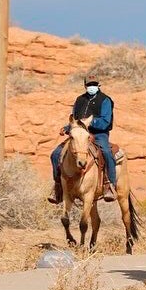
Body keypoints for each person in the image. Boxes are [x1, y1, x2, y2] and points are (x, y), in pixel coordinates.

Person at [48, 75, 117, 204]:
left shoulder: (105, 100)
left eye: (94, 84)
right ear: (85, 86)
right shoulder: (79, 100)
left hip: (99, 134)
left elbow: (105, 121)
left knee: (107, 152)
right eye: (90, 84)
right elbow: (75, 121)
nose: (92, 87)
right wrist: (67, 128)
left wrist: (90, 123)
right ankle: (57, 186)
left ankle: (110, 185)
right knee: (55, 154)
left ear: (98, 85)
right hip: (78, 134)